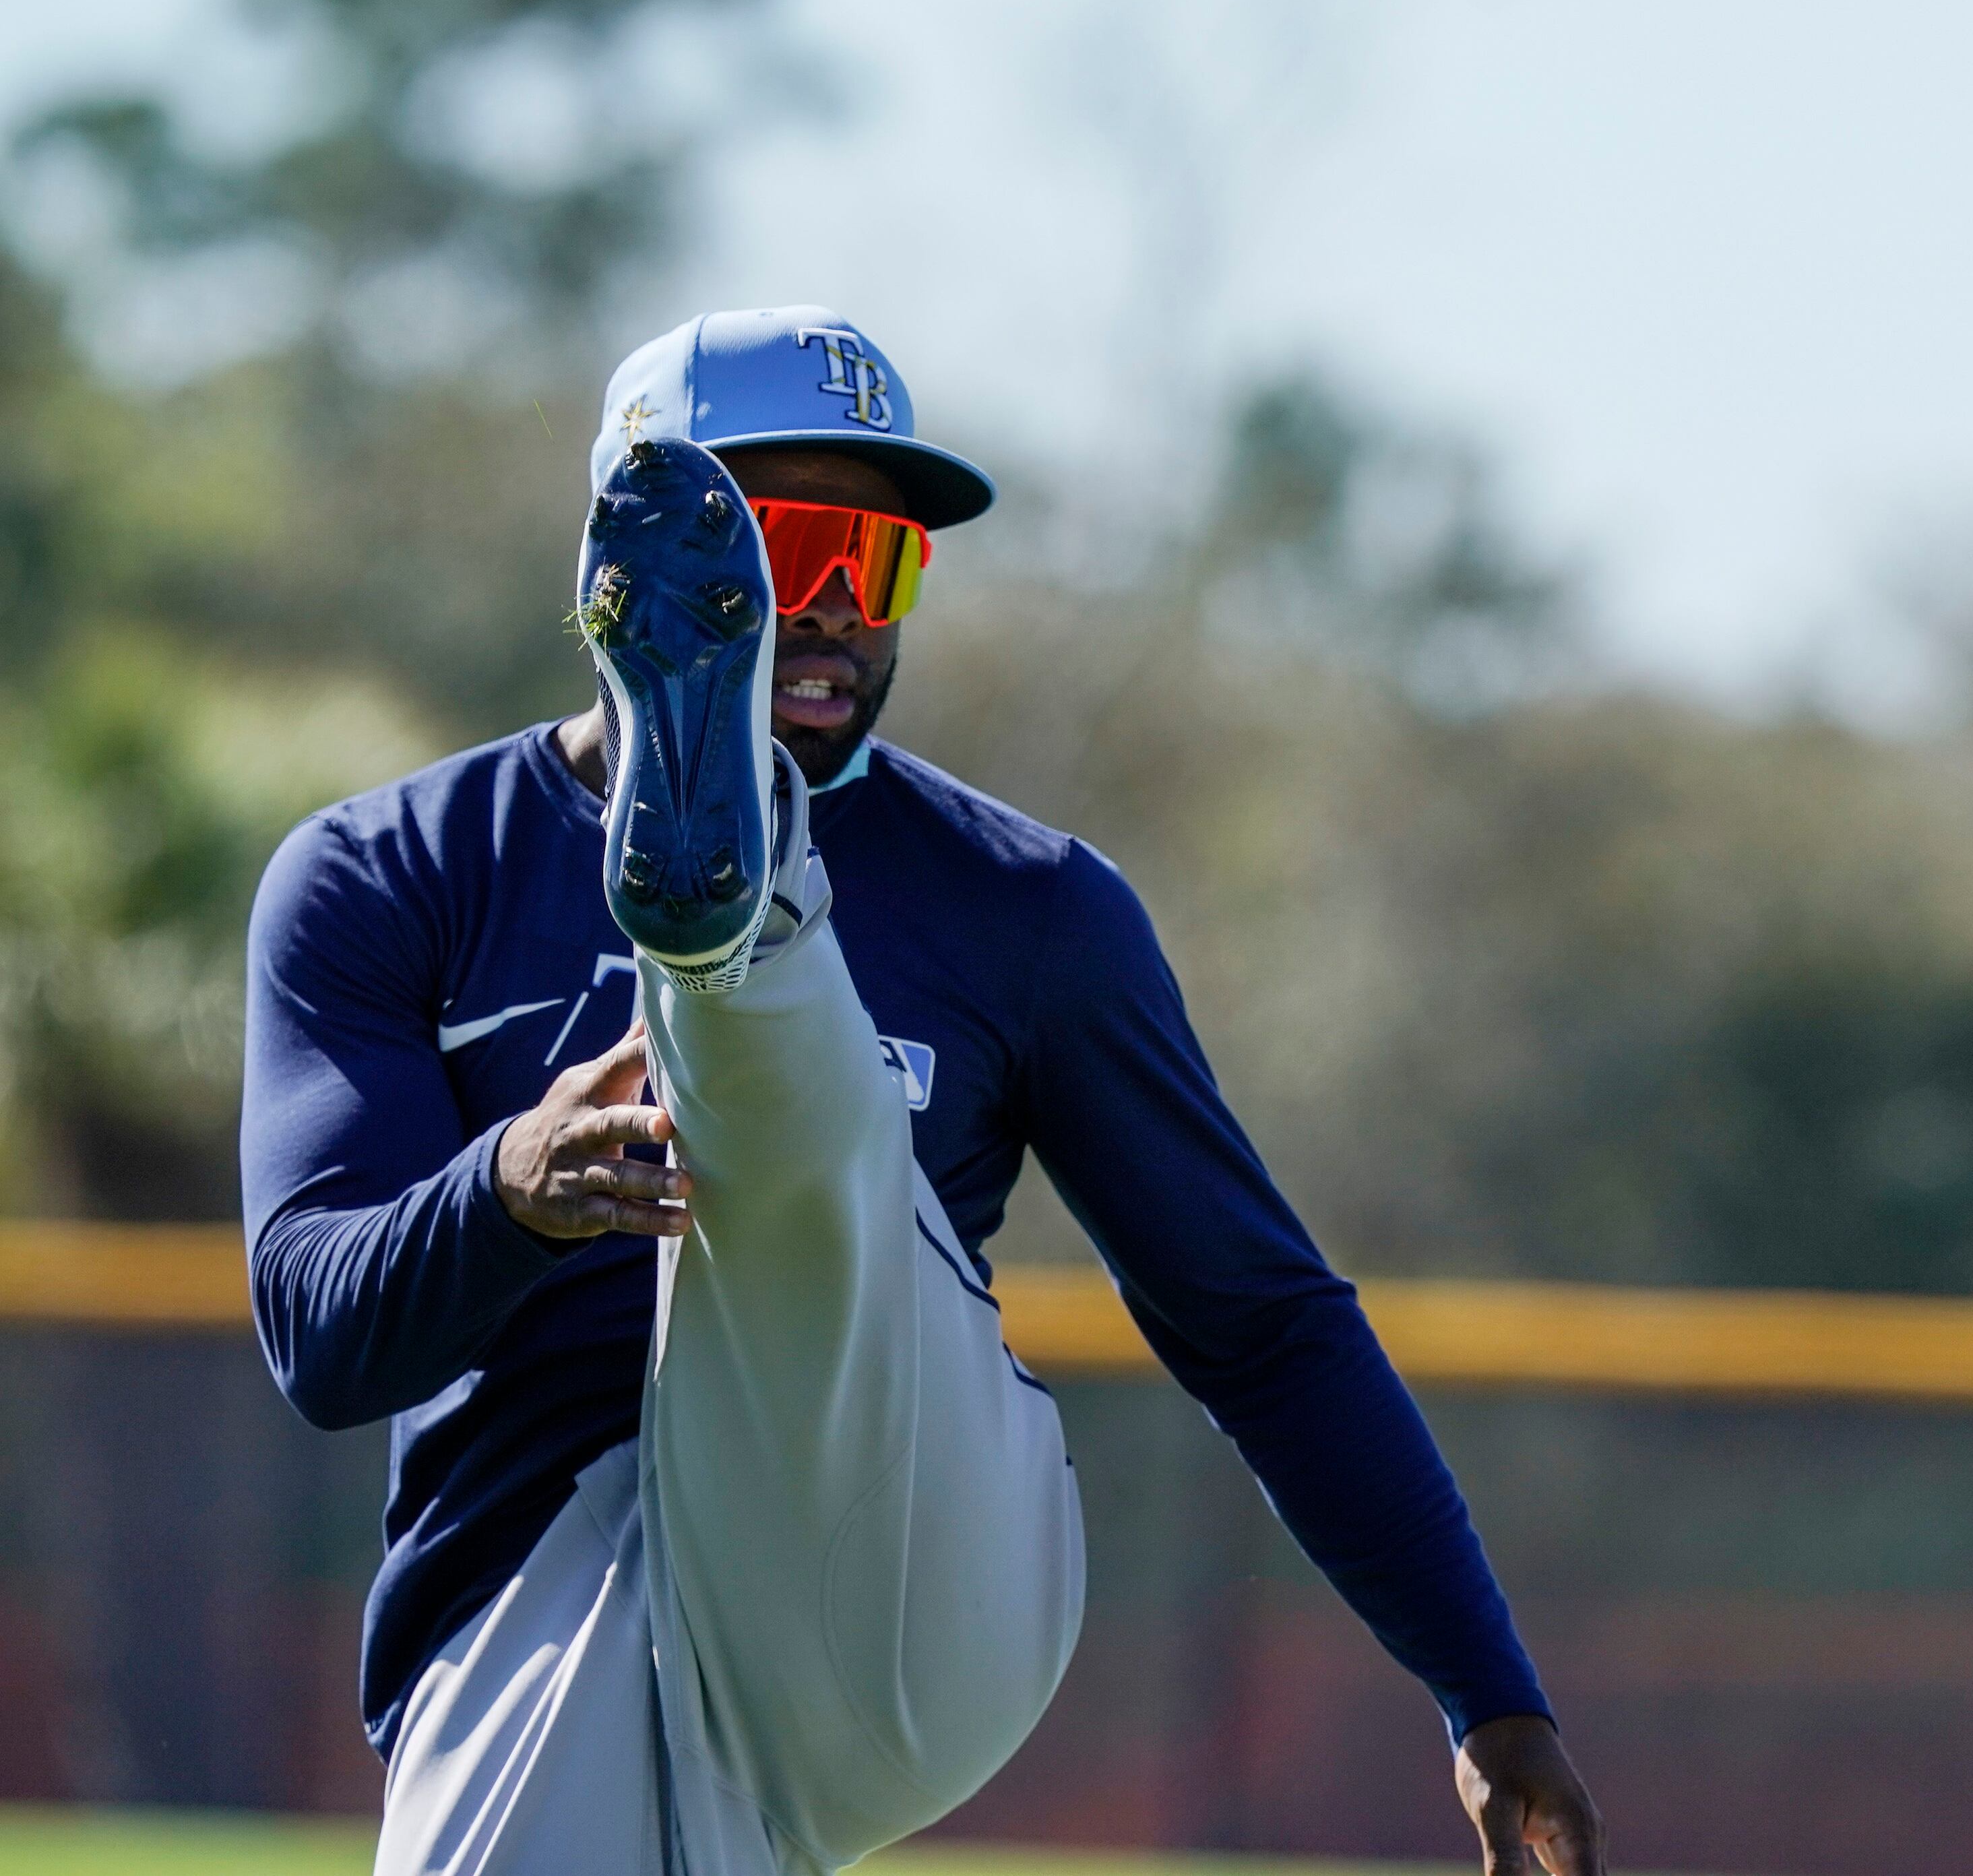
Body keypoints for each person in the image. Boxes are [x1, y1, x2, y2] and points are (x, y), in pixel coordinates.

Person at [240, 309, 1604, 1876]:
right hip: (536, 1592)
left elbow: (1261, 1321)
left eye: (877, 562)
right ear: (611, 570)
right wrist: (508, 1188)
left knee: (792, 1135)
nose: (831, 609)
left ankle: (737, 924)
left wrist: (1487, 1698)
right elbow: (323, 1333)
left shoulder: (1027, 909)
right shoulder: (387, 873)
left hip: (880, 1570)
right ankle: (733, 915)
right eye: (786, 547)